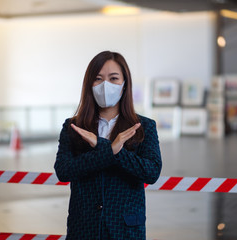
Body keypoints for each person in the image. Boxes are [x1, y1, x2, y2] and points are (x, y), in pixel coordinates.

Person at [54, 51, 162, 240]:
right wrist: (109, 149)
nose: (105, 85)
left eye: (113, 78)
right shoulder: (74, 126)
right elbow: (64, 171)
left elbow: (151, 172)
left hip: (125, 229)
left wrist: (111, 151)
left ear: (124, 84)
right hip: (84, 227)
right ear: (89, 84)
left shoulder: (143, 126)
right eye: (98, 79)